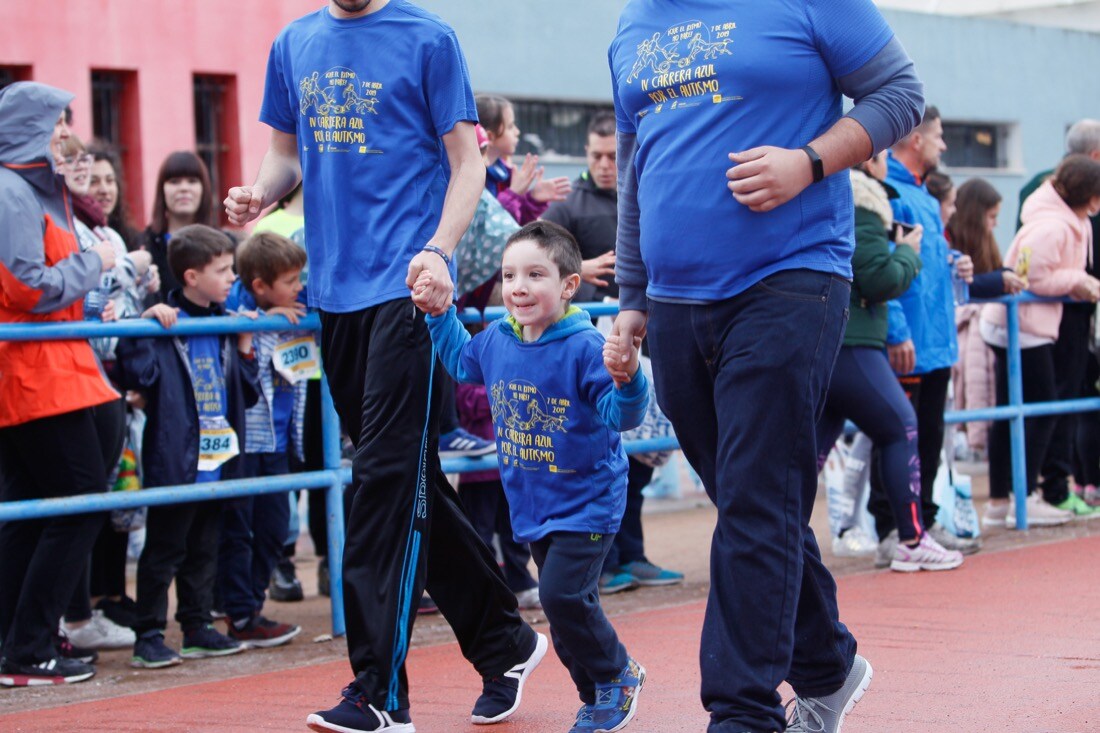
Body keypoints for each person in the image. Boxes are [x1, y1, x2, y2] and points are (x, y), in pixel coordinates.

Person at [225, 2, 545, 731]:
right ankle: (506, 640)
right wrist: (260, 191)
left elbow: (469, 166)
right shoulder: (294, 41)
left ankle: (379, 693)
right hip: (334, 294)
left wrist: (439, 250)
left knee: (382, 486)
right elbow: (286, 152)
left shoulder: (428, 39)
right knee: (409, 482)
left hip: (410, 288)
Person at [608, 3, 924, 731]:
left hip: (791, 276)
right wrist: (630, 293)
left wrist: (808, 161)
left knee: (756, 500)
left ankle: (742, 711)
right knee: (755, 499)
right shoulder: (633, 23)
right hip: (674, 296)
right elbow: (636, 160)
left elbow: (900, 93)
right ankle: (826, 665)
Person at [414, 220, 650, 732]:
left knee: (561, 597)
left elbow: (622, 416)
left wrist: (629, 377)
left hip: (589, 501)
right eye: (509, 275)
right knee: (565, 619)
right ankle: (596, 696)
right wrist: (439, 314)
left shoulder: (586, 346)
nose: (518, 287)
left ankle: (620, 675)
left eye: (535, 274)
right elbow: (460, 359)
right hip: (533, 503)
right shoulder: (499, 337)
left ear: (568, 285)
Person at [0, 81, 121, 687]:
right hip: (37, 373)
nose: (67, 133)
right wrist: (92, 265)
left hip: (49, 368)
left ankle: (20, 643)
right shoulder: (13, 191)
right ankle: (27, 645)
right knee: (76, 504)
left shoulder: (30, 189)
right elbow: (27, 286)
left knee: (31, 510)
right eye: (57, 122)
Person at [543, 111, 684, 592]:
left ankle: (633, 554)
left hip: (652, 339)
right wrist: (580, 268)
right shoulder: (568, 207)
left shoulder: (645, 190)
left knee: (648, 452)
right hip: (591, 348)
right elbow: (532, 261)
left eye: (611, 155)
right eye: (596, 155)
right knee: (607, 452)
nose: (605, 164)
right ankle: (605, 564)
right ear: (586, 154)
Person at [117, 224, 260, 668]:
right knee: (164, 549)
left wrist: (245, 346)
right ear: (192, 277)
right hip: (176, 457)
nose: (232, 278)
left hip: (218, 460)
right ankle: (149, 634)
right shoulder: (164, 319)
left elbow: (248, 394)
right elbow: (139, 376)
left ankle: (197, 626)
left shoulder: (225, 321)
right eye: (222, 270)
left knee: (204, 547)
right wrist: (143, 325)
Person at [817, 151, 963, 572]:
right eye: (882, 154)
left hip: (835, 335)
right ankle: (912, 538)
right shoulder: (862, 201)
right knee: (901, 426)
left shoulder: (839, 196)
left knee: (808, 453)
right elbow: (877, 279)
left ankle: (780, 539)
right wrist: (907, 252)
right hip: (854, 339)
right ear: (870, 163)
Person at [878, 105, 979, 563]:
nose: (943, 145)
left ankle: (925, 519)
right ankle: (890, 527)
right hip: (909, 342)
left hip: (936, 342)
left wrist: (955, 260)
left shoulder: (921, 193)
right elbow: (883, 266)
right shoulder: (890, 190)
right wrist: (898, 330)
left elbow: (922, 257)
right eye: (938, 136)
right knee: (898, 434)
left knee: (930, 436)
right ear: (916, 139)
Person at [981, 155, 1100, 526]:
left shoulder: (1066, 220)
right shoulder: (1053, 226)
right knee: (1040, 409)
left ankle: (1004, 499)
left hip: (1025, 326)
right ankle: (1024, 494)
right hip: (1024, 327)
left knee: (1014, 412)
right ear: (1089, 195)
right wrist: (1076, 281)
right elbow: (1027, 276)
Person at [218, 231, 309, 647]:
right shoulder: (237, 317)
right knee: (239, 528)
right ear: (259, 286)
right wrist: (249, 340)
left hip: (278, 439)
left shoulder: (292, 312)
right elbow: (240, 381)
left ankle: (248, 603)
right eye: (290, 281)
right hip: (245, 442)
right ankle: (240, 612)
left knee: (275, 526)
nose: (299, 287)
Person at [1018, 120, 1100, 514]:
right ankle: (1054, 487)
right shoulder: (1056, 202)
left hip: (1071, 308)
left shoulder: (1045, 189)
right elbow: (1029, 268)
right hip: (1059, 311)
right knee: (1059, 400)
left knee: (1067, 400)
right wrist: (1079, 280)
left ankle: (1064, 485)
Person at [948, 178, 1026, 463]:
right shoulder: (951, 239)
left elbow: (986, 276)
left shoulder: (985, 242)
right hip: (958, 332)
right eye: (991, 217)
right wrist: (999, 280)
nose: (995, 224)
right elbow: (961, 285)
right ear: (975, 214)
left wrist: (1004, 275)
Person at [476, 93, 571, 225]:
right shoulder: (474, 177)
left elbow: (516, 224)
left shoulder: (505, 173)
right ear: (490, 137)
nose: (517, 132)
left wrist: (533, 199)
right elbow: (485, 226)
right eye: (510, 126)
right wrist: (513, 194)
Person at [137, 150, 216, 300]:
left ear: (204, 189)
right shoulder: (144, 244)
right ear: (162, 190)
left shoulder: (223, 246)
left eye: (192, 181)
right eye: (174, 182)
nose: (184, 188)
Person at [87, 141, 141, 248]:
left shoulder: (131, 239)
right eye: (93, 182)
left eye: (110, 180)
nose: (104, 190)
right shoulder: (78, 236)